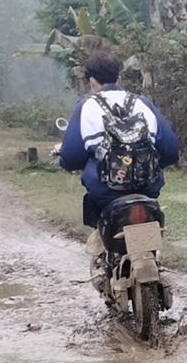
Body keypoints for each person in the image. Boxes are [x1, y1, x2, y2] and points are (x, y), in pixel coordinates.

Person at [57, 50, 179, 278]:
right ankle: (151, 252)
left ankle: (102, 245)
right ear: (119, 78)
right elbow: (171, 151)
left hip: (106, 194)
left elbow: (71, 158)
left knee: (92, 199)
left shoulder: (85, 108)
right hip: (147, 188)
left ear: (92, 81)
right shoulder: (143, 104)